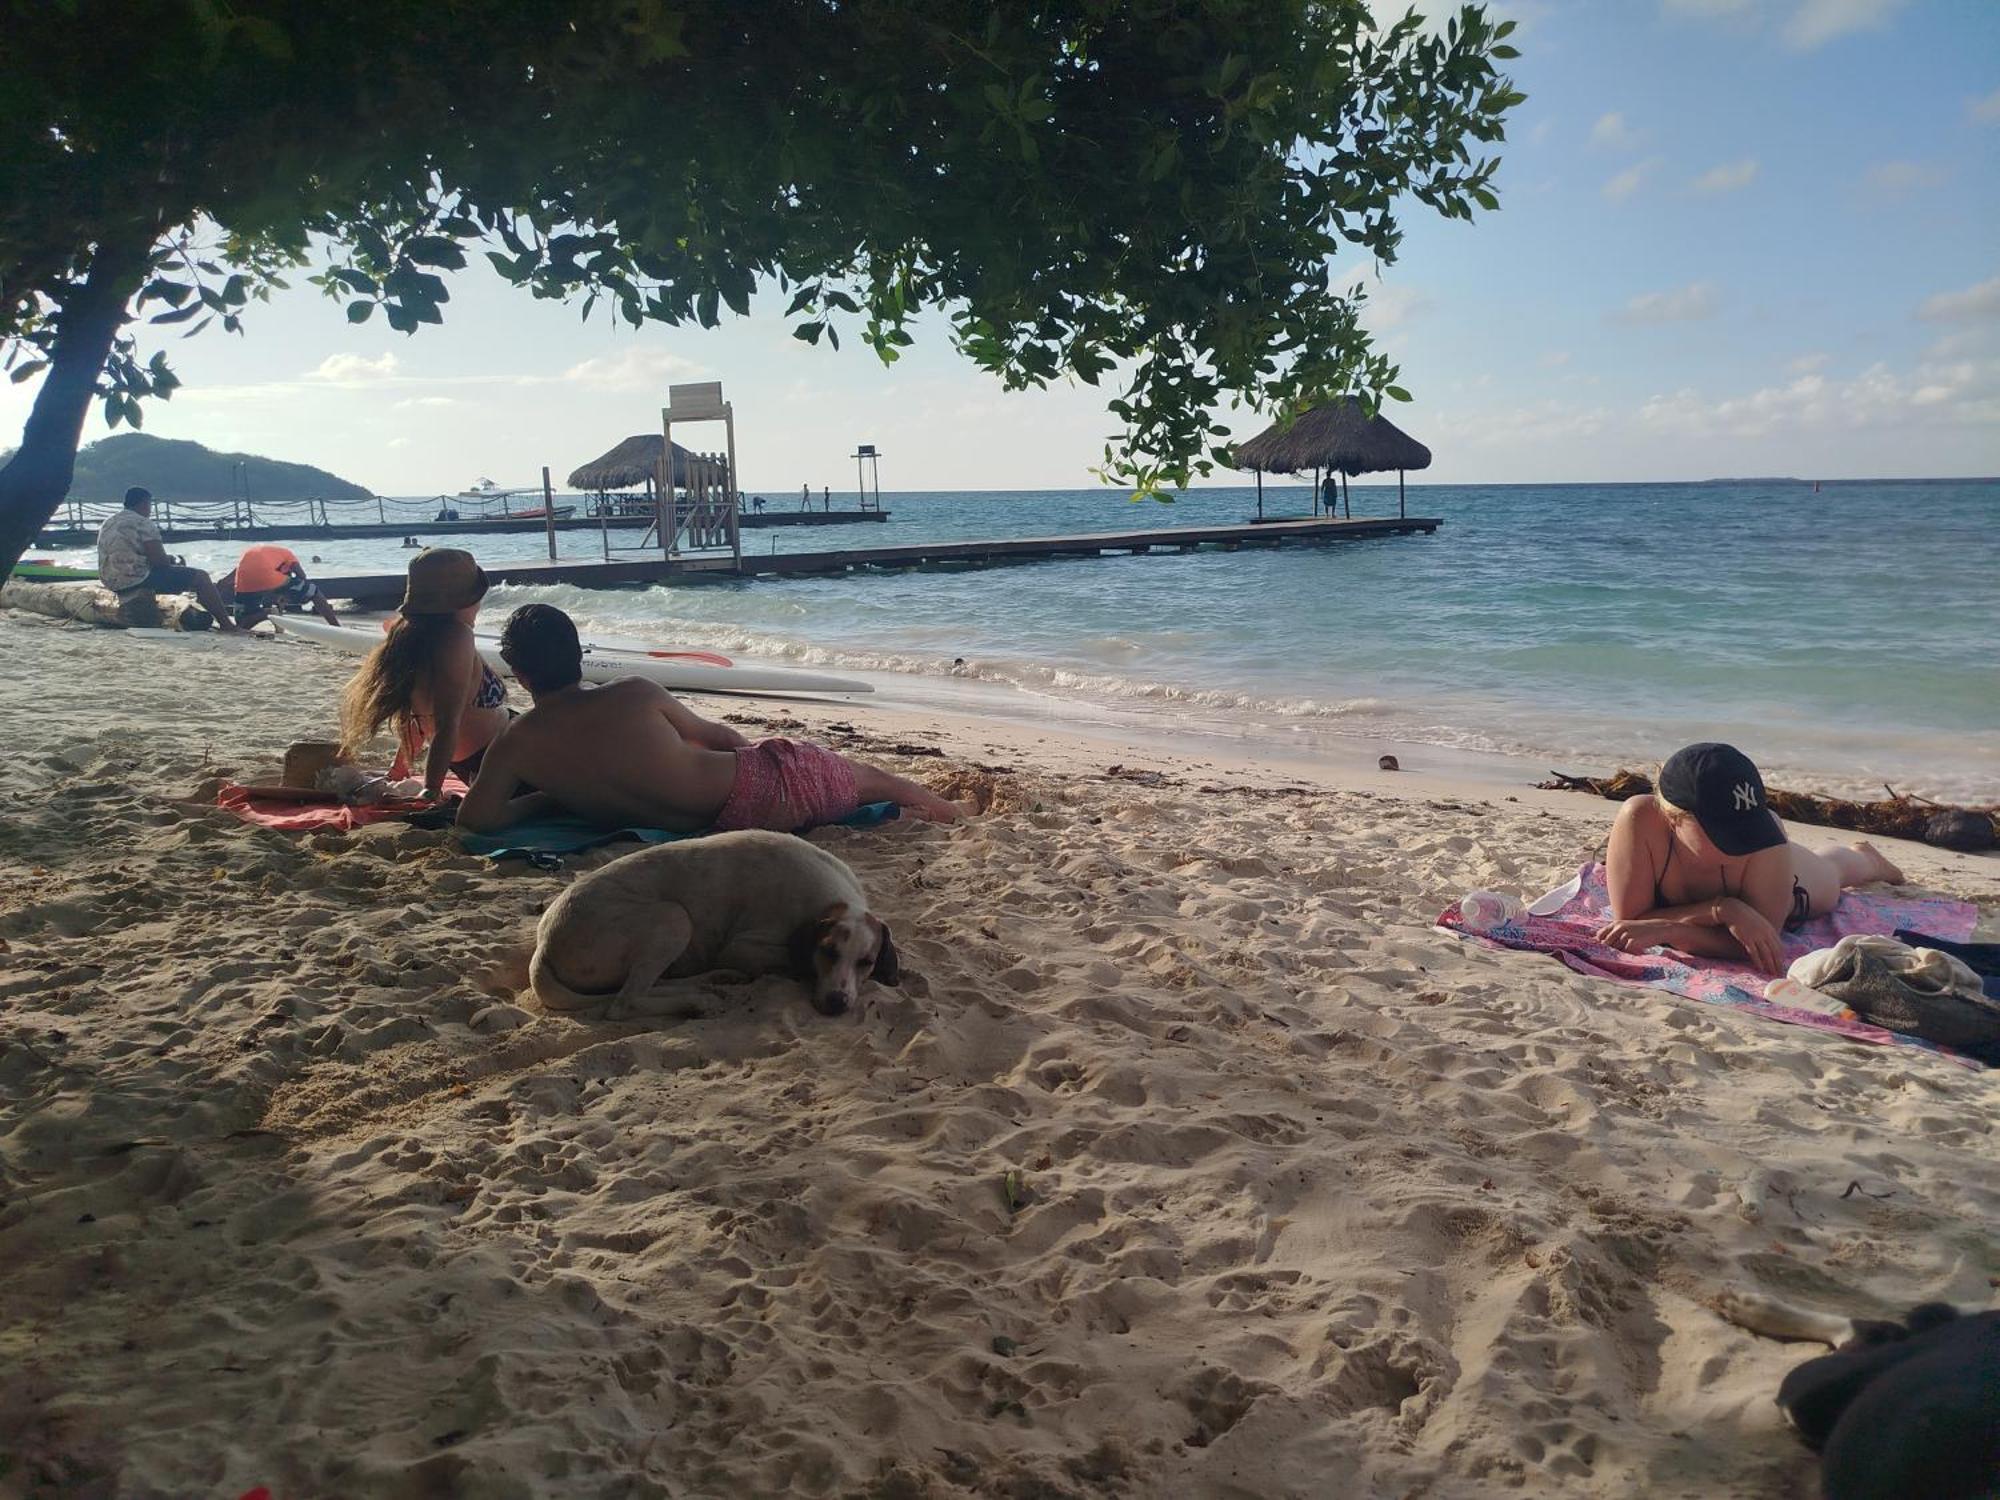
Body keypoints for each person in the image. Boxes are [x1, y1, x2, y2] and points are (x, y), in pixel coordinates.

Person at [456, 604, 965, 835]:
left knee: (867, 794)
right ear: (578, 654)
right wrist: (761, 756)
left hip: (698, 826)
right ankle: (956, 815)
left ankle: (922, 814)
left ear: (520, 675)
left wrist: (547, 798)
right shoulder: (633, 692)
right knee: (874, 780)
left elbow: (475, 820)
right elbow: (715, 737)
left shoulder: (516, 743)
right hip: (759, 796)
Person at [1596, 742, 1904, 974]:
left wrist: (1672, 929)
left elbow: (1759, 943)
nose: (1742, 843)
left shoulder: (1765, 838)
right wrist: (1724, 910)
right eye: (1723, 830)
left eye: (1746, 826)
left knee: (1832, 873)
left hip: (1790, 882)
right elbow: (1631, 923)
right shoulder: (1640, 819)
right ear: (1675, 817)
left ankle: (1868, 860)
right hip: (1734, 899)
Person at [338, 549, 513, 800]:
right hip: (503, 757)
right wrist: (431, 790)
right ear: (466, 599)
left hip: (479, 762)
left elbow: (416, 717)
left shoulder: (408, 635)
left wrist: (397, 772)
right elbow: (447, 722)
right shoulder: (457, 636)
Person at [95, 487, 240, 631]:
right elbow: (159, 562)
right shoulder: (143, 523)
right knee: (200, 577)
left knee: (174, 574)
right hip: (136, 580)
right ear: (145, 503)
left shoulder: (108, 522)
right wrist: (172, 562)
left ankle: (198, 608)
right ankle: (226, 624)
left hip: (110, 579)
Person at [219, 543, 339, 629]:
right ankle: (335, 626)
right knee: (314, 592)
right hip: (269, 576)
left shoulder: (262, 552)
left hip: (243, 578)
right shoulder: (288, 554)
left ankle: (267, 613)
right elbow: (302, 576)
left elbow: (232, 577)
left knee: (243, 623)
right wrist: (290, 593)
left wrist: (221, 586)